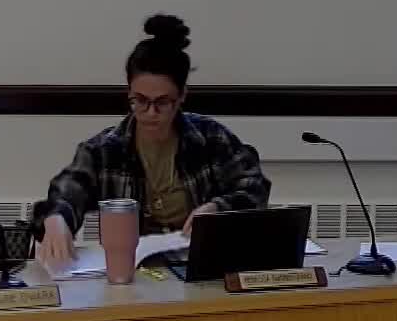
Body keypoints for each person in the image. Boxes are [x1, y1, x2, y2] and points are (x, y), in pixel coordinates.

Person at [33, 15, 272, 266]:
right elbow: (66, 194)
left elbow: (255, 188)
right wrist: (56, 219)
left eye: (162, 102)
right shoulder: (104, 150)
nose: (150, 112)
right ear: (129, 92)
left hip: (201, 266)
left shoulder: (211, 139)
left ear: (182, 96)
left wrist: (217, 208)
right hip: (132, 272)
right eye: (140, 100)